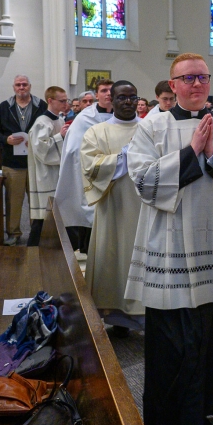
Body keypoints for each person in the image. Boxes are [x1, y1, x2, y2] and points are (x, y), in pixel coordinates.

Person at [125, 54, 213, 425]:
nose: (196, 84)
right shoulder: (152, 126)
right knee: (174, 340)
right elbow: (144, 182)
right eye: (188, 78)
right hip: (171, 248)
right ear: (173, 84)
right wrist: (190, 152)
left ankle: (206, 409)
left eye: (202, 77)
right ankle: (173, 419)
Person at [81, 81, 145, 337]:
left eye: (132, 97)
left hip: (147, 206)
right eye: (122, 97)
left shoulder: (150, 128)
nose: (128, 102)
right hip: (114, 206)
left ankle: (149, 315)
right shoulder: (97, 132)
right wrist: (125, 156)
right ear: (112, 100)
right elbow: (90, 167)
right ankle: (118, 318)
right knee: (116, 259)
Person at [55, 80, 113, 255]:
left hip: (114, 172)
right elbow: (73, 148)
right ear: (97, 95)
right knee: (91, 217)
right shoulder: (85, 117)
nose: (108, 94)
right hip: (90, 172)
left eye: (111, 90)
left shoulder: (123, 115)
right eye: (104, 90)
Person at [0, 75, 47, 245]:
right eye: (18, 85)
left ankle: (36, 233)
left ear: (30, 86)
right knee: (13, 201)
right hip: (12, 163)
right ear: (13, 87)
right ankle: (14, 233)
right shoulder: (4, 107)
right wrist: (6, 139)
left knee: (37, 200)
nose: (21, 87)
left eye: (24, 84)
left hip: (36, 162)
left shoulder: (41, 105)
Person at [26, 86, 69, 246]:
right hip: (45, 174)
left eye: (66, 100)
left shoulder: (59, 119)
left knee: (55, 215)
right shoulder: (42, 122)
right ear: (50, 101)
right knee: (42, 218)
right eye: (62, 101)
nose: (66, 104)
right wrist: (61, 136)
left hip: (57, 172)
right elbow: (42, 150)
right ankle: (32, 249)